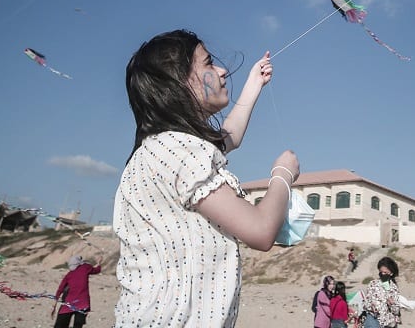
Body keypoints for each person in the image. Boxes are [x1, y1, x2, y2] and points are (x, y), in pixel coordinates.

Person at [113, 29, 296, 326]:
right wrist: (283, 174)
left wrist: (254, 83)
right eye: (209, 64)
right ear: (176, 84)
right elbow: (261, 231)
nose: (222, 70)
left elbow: (228, 138)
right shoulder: (179, 150)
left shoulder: (162, 148)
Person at [358, 256, 415, 328]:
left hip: (387, 322)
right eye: (381, 272)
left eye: (385, 272)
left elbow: (396, 311)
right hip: (373, 318)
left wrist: (392, 304)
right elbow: (365, 303)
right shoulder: (373, 284)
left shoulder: (393, 288)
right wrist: (371, 306)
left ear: (391, 273)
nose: (383, 274)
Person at [51, 254, 101, 328]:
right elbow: (97, 270)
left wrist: (54, 305)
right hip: (83, 304)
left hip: (70, 304)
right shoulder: (85, 267)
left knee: (60, 325)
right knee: (78, 325)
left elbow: (60, 289)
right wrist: (99, 263)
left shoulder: (69, 274)